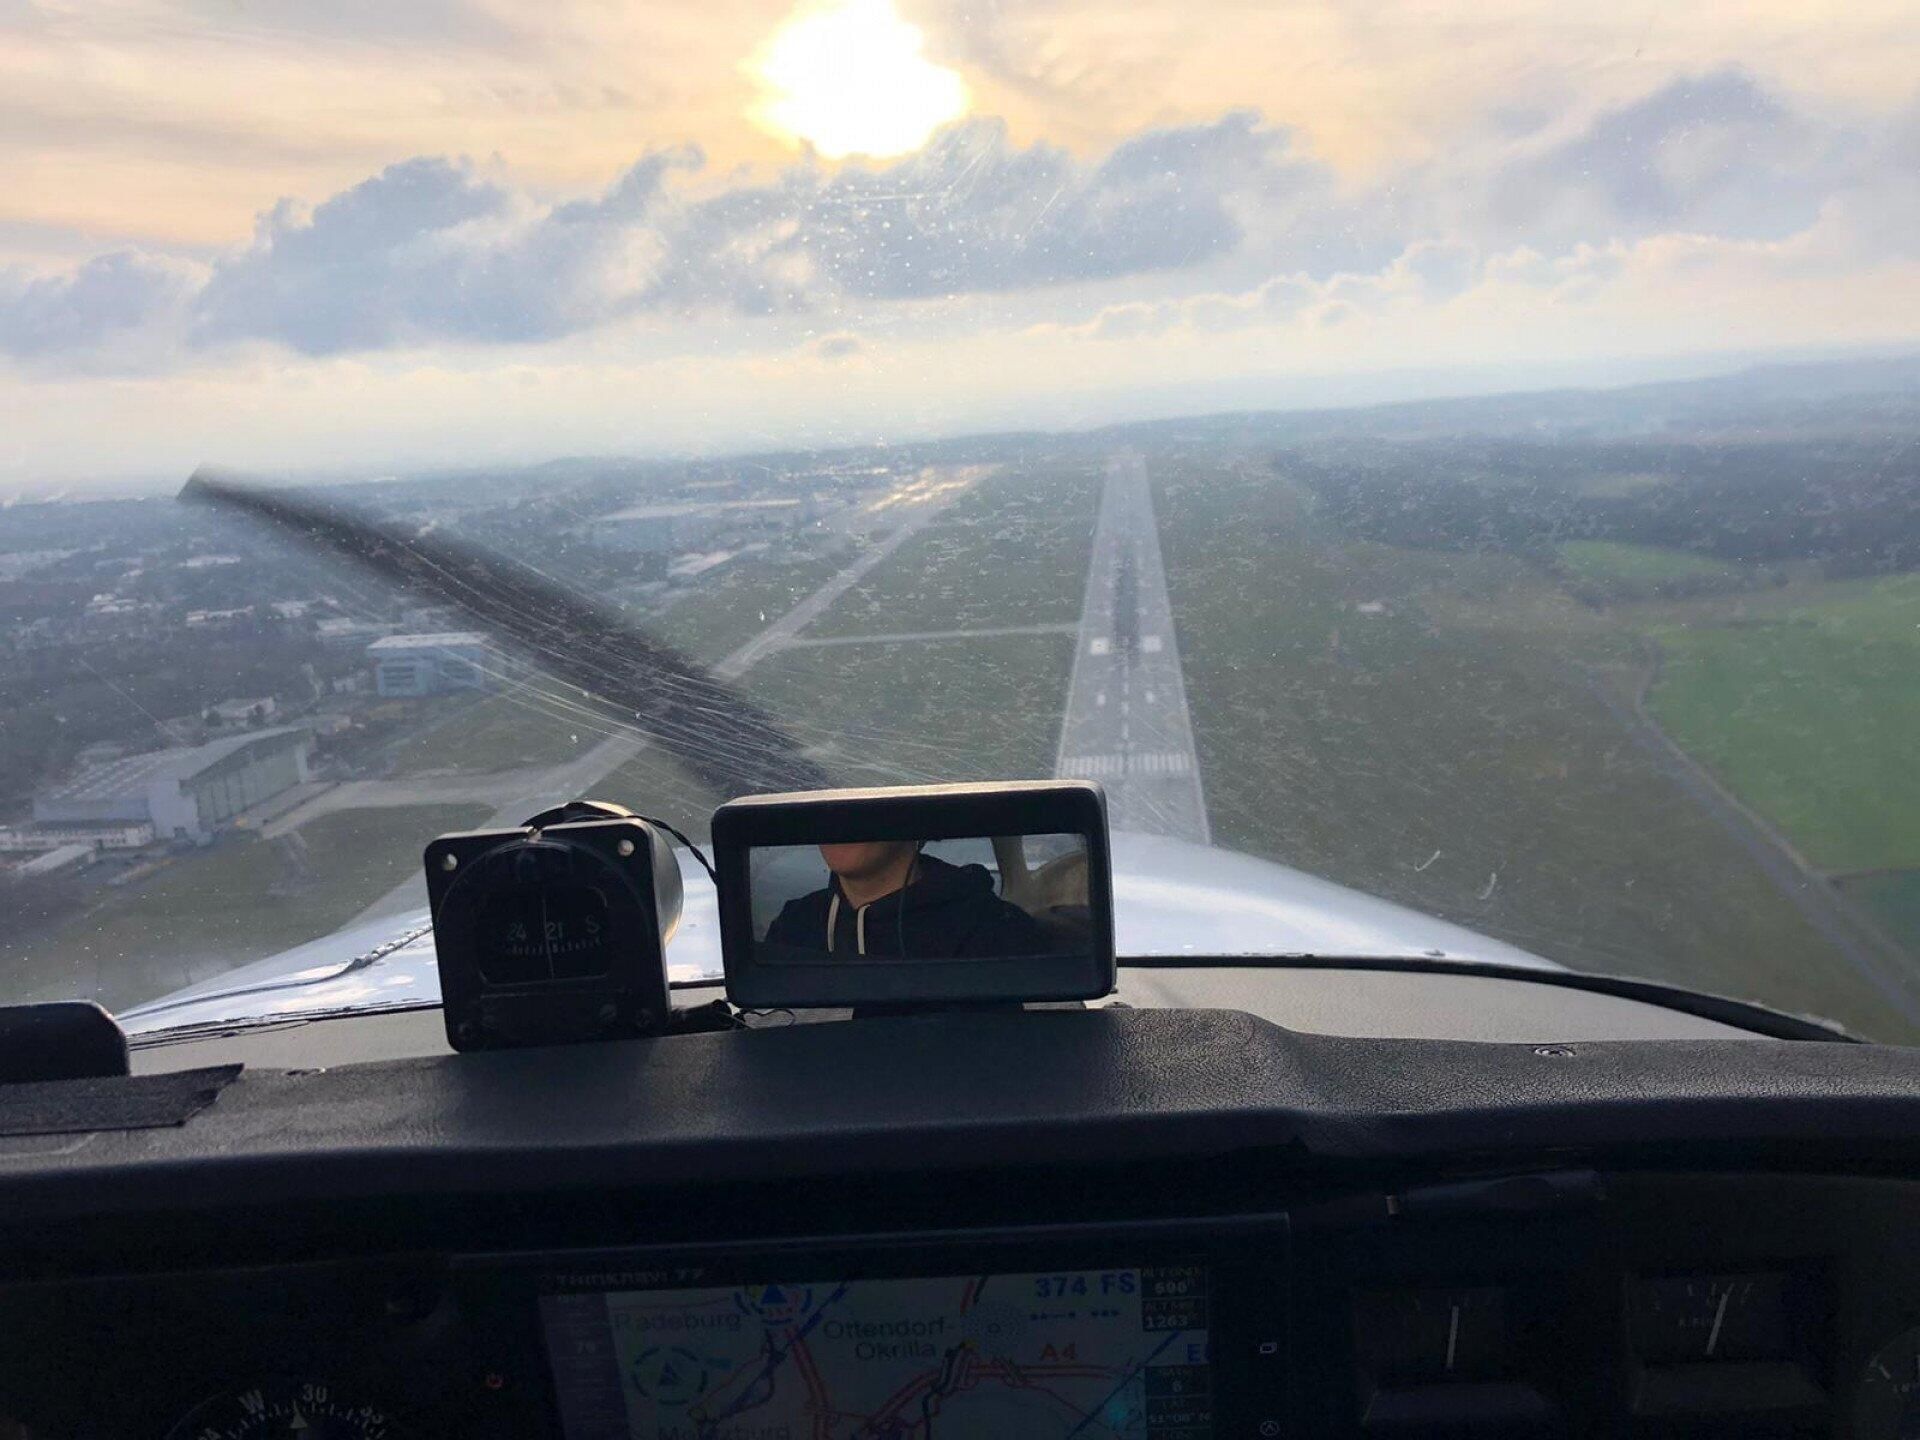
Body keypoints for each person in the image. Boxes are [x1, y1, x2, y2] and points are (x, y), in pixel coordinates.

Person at [763, 841, 1054, 959]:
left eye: (863, 805)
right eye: (822, 806)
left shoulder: (996, 928)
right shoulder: (796, 922)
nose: (836, 820)